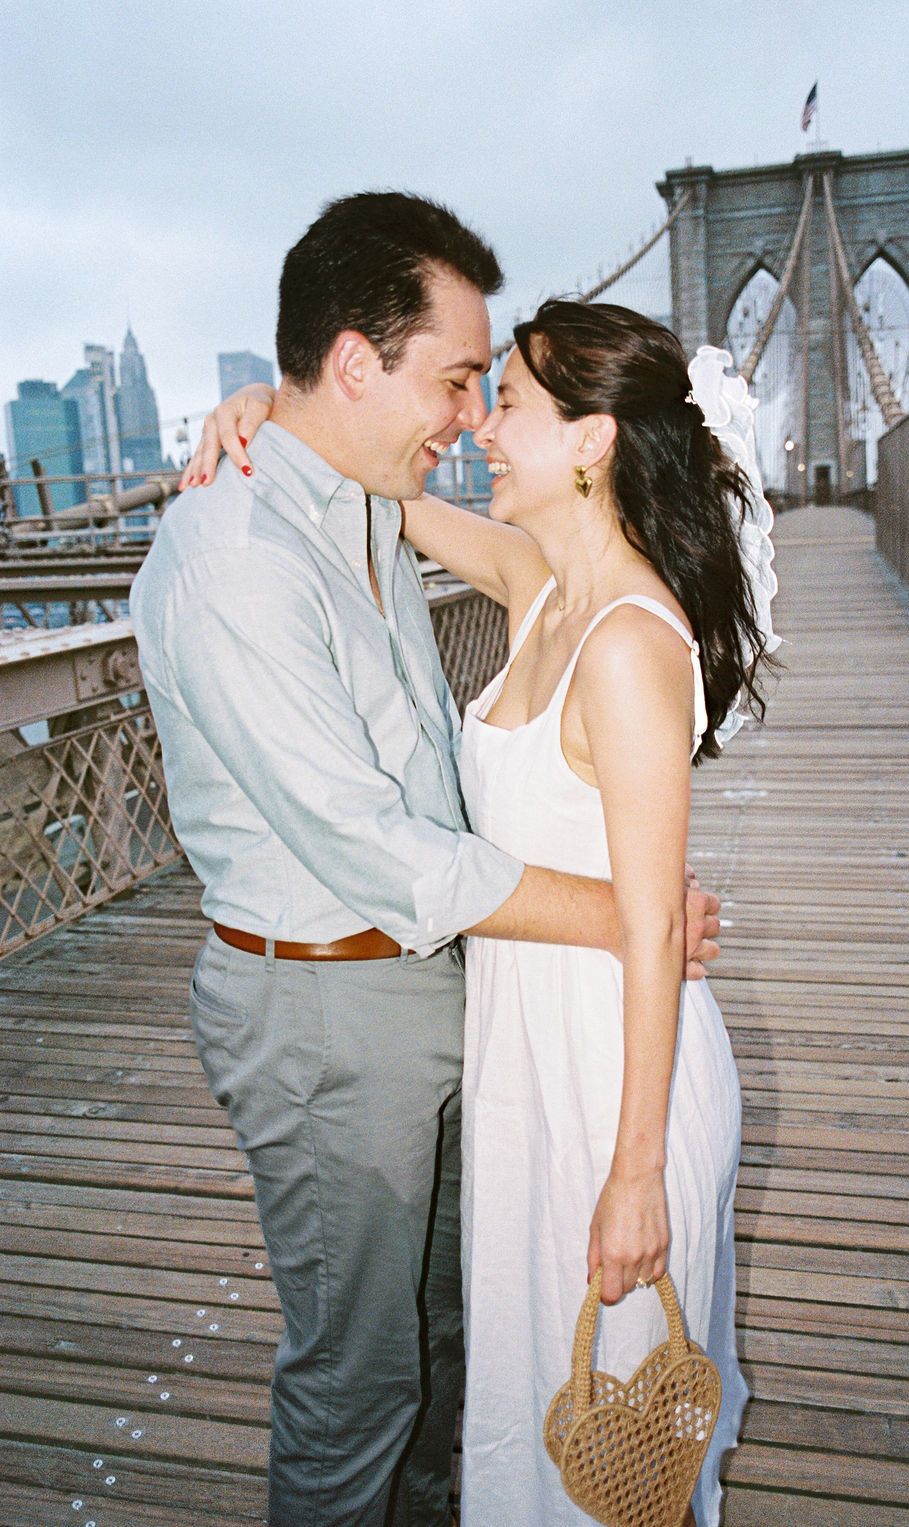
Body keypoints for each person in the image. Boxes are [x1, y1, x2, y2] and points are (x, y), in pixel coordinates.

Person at [132, 192, 722, 1527]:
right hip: (333, 1013)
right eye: (461, 381)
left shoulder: (378, 511)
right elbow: (377, 849)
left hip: (469, 1002)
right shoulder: (237, 557)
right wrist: (637, 917)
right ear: (356, 366)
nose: (467, 417)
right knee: (359, 1385)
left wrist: (273, 422)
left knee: (455, 1353)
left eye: (490, 394)